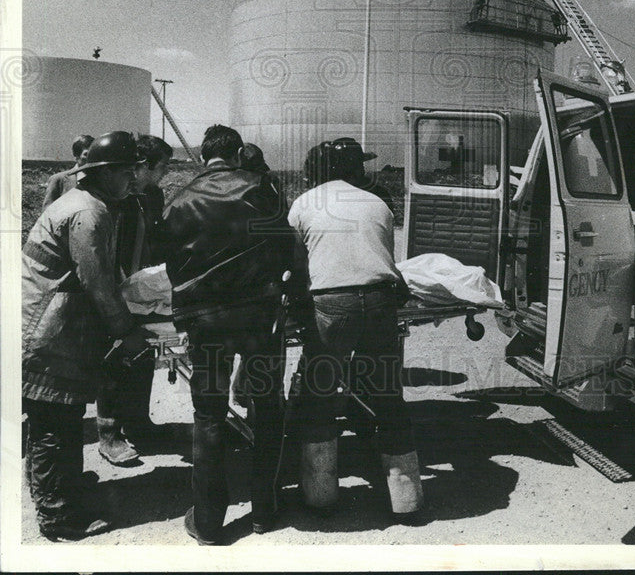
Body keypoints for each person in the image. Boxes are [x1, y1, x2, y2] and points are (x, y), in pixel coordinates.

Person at [161, 124, 307, 544]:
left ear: (203, 157)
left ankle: (207, 521)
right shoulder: (263, 189)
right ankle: (265, 509)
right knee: (265, 405)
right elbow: (287, 248)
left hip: (205, 321)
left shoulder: (180, 199)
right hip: (260, 319)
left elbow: (167, 261)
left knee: (209, 413)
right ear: (240, 151)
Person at [22, 131, 151, 540]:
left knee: (57, 419)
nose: (134, 179)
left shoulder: (89, 204)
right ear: (105, 172)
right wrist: (127, 331)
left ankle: (56, 488)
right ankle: (57, 516)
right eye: (128, 172)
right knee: (54, 424)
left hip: (53, 324)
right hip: (49, 330)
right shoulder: (88, 213)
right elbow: (96, 284)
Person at [288, 137, 424, 518]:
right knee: (387, 394)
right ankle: (407, 499)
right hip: (380, 302)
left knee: (320, 393)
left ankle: (320, 495)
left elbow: (297, 267)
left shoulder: (304, 204)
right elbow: (384, 260)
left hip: (332, 305)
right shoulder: (378, 203)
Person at [95, 134, 173, 466]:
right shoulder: (112, 198)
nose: (165, 174)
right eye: (163, 167)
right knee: (114, 361)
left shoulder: (153, 195)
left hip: (143, 290)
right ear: (142, 166)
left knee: (143, 355)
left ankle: (140, 423)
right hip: (113, 288)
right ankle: (109, 435)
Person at [41, 134, 94, 211]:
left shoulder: (102, 180)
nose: (90, 158)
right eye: (86, 154)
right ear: (76, 155)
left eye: (93, 154)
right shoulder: (58, 180)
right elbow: (47, 213)